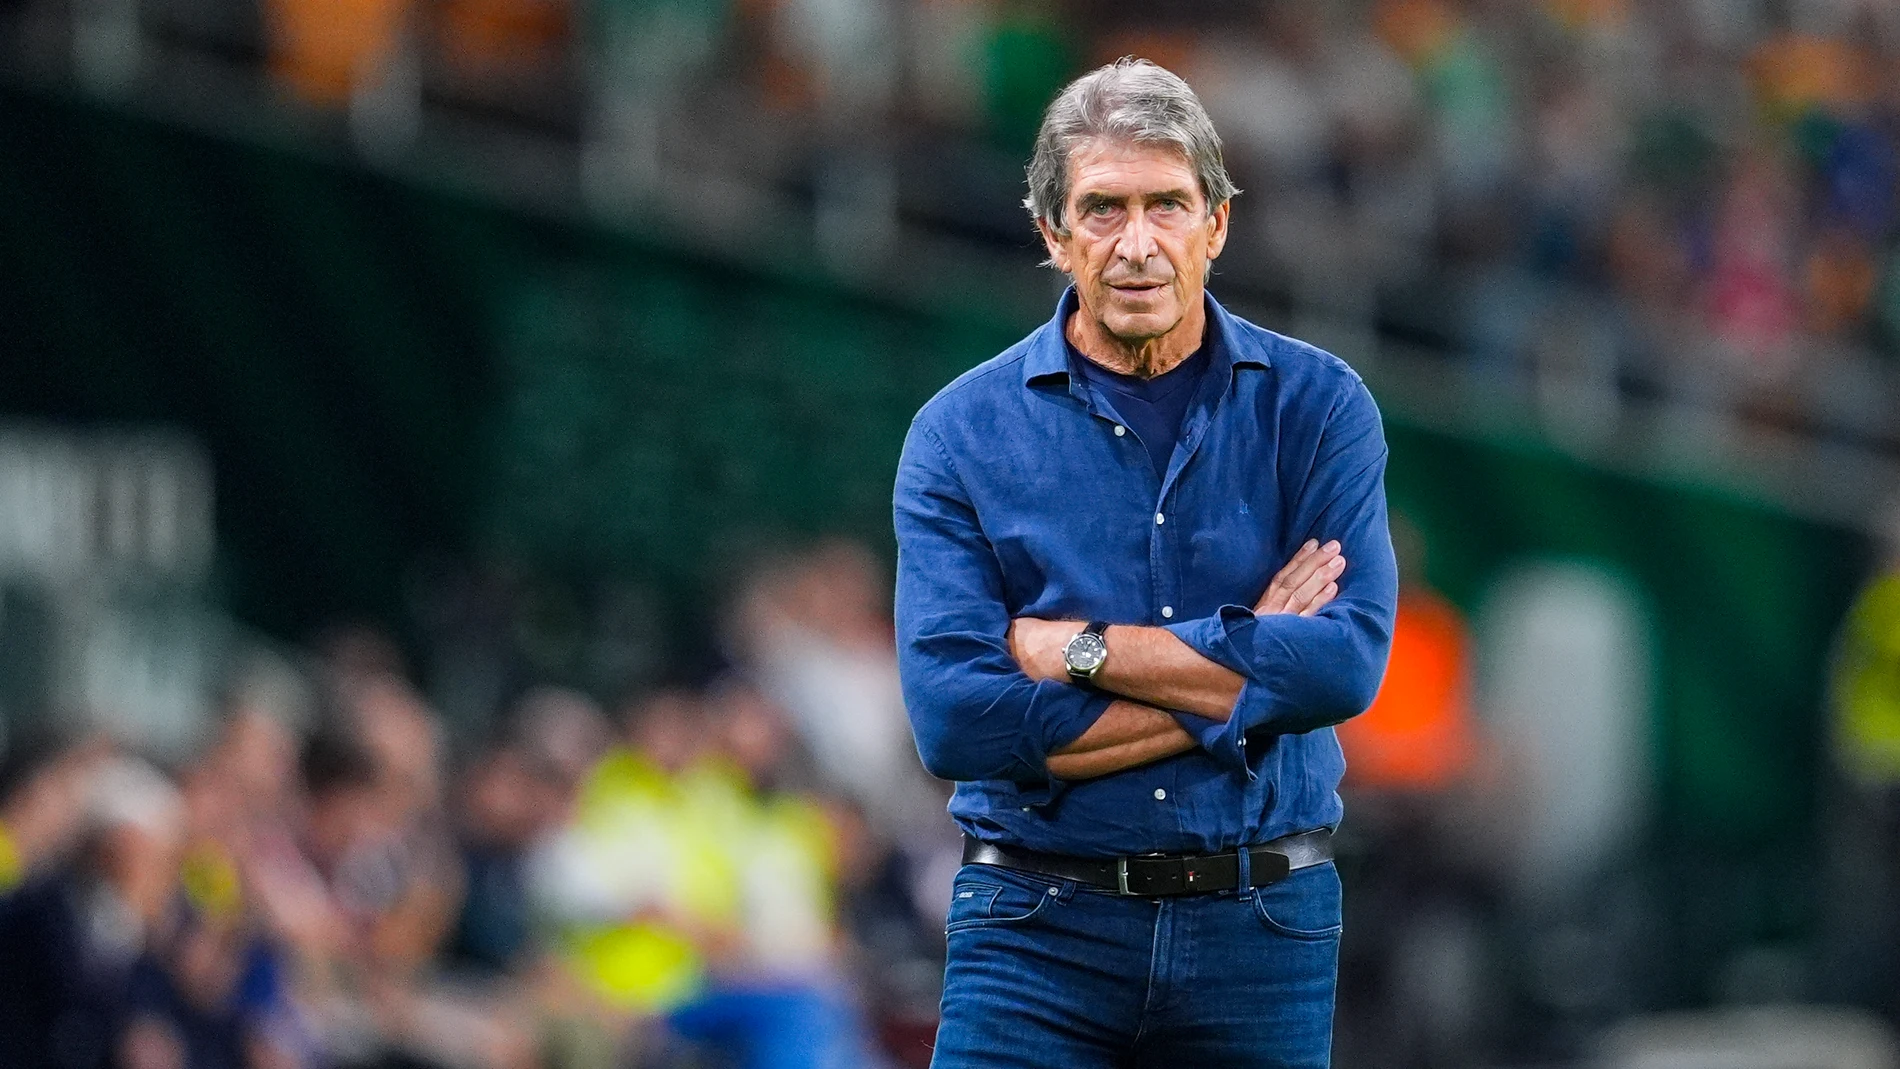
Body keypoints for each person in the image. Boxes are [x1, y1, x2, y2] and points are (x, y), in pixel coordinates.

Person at [892, 58, 1398, 1067]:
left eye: (1166, 205)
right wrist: (1243, 671)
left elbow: (1343, 665)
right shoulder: (957, 434)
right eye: (1101, 209)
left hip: (1261, 925)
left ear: (1215, 223)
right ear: (1051, 233)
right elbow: (955, 719)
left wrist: (1074, 651)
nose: (1136, 244)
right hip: (1033, 927)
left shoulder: (1319, 407)